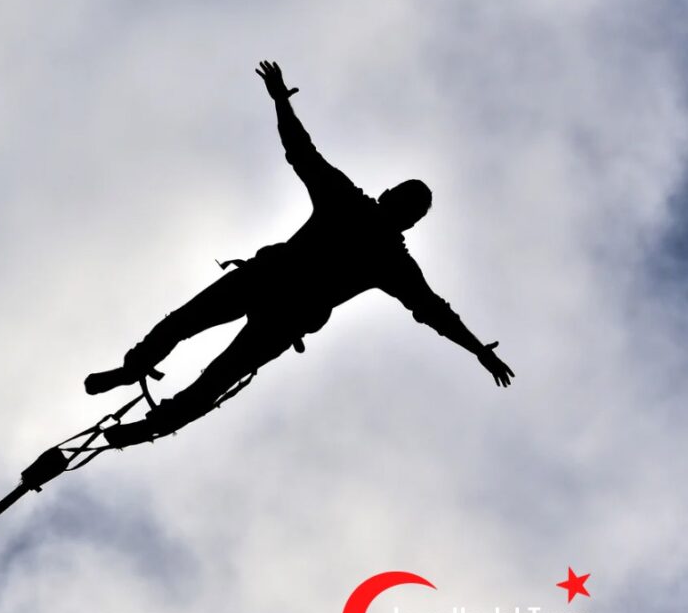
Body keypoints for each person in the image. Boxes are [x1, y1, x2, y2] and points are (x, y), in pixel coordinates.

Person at [87, 60, 514, 447]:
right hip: (268, 285)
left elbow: (434, 311)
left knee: (212, 365)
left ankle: (151, 411)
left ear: (407, 219)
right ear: (394, 202)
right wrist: (280, 103)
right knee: (193, 335)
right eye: (406, 203)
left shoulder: (388, 255)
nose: (403, 211)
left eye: (410, 209)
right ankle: (136, 377)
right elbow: (302, 151)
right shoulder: (355, 213)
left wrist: (477, 349)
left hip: (283, 310)